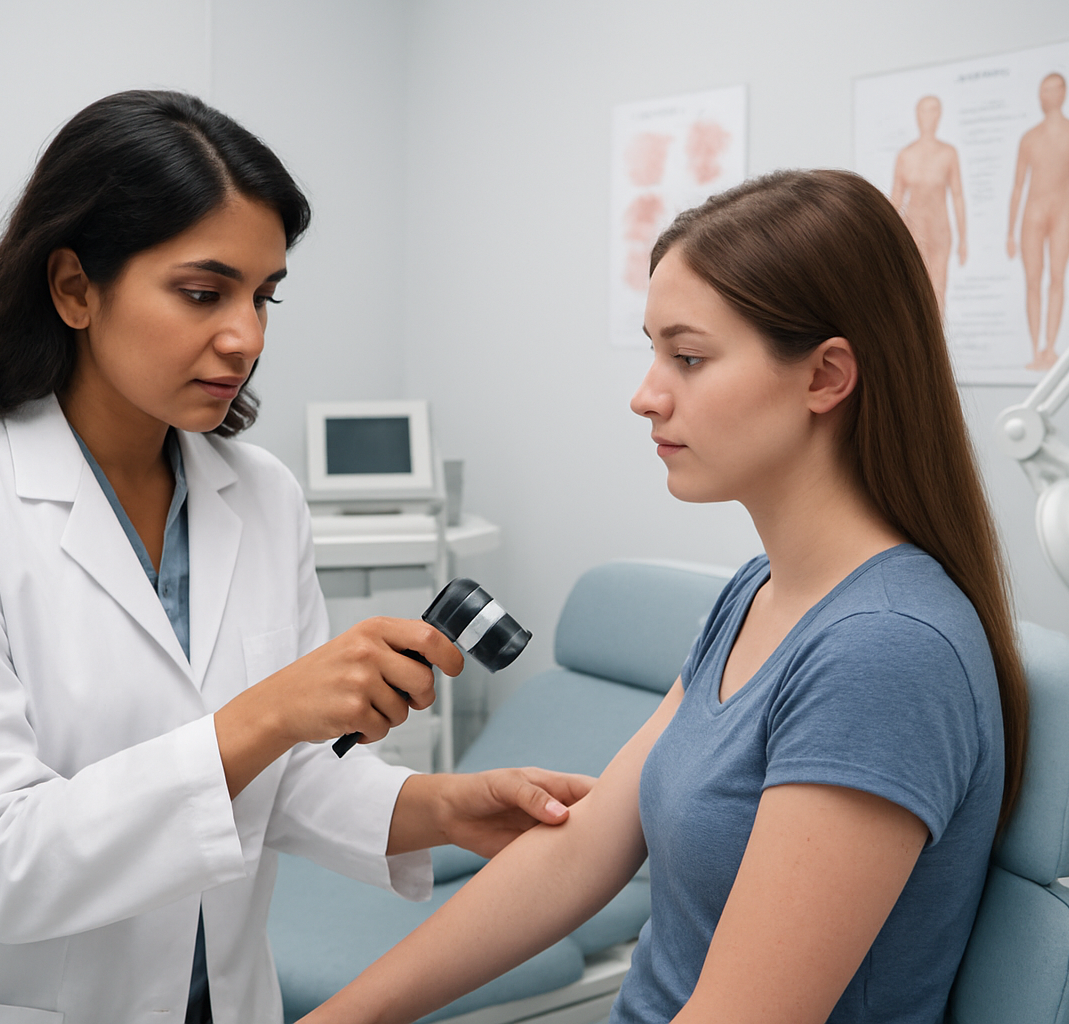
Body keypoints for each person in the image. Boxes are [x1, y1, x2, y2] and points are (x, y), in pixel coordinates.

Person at [0, 90, 591, 1024]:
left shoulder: (261, 497)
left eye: (264, 296)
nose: (247, 337)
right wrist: (265, 714)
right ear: (74, 288)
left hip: (210, 996)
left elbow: (277, 779)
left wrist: (442, 808)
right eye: (202, 292)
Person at [303, 169, 1029, 1024]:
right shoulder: (759, 591)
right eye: (654, 352)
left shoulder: (885, 654)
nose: (646, 394)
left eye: (687, 357)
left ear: (826, 376)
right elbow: (577, 855)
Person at [1006, 72, 1069, 371]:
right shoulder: (1030, 137)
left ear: (1064, 93)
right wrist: (1009, 232)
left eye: (1053, 89)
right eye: (1044, 90)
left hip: (1063, 212)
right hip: (1033, 213)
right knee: (1033, 281)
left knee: (1057, 277)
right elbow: (1017, 186)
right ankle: (1034, 350)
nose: (1048, 95)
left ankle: (1051, 348)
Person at [891, 95, 967, 312]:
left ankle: (936, 341)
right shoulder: (905, 156)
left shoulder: (948, 153)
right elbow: (896, 197)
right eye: (924, 110)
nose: (928, 116)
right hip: (913, 228)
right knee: (914, 290)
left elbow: (958, 195)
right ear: (917, 115)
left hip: (940, 229)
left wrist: (964, 239)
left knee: (939, 289)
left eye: (934, 110)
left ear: (940, 115)